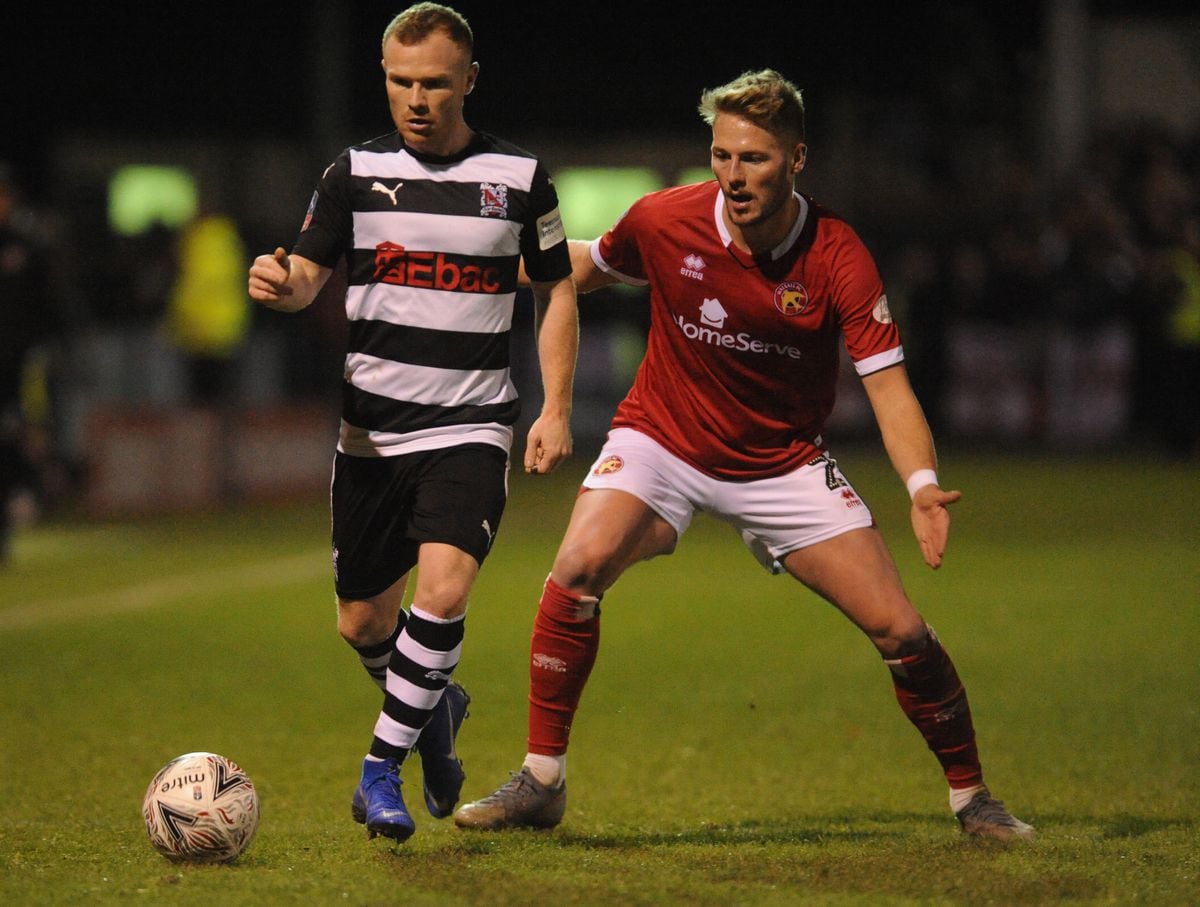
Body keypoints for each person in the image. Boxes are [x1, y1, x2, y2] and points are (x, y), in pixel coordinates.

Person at [454, 69, 1034, 841]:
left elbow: (890, 389)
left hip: (781, 463)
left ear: (797, 159)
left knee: (899, 628)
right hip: (662, 436)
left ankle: (973, 798)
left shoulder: (837, 255)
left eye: (754, 158)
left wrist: (922, 486)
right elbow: (582, 266)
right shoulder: (668, 220)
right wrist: (474, 271)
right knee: (577, 565)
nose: (732, 175)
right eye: (721, 155)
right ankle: (542, 779)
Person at [247, 2, 578, 843]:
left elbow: (556, 290)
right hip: (371, 437)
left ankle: (378, 771)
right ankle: (436, 711)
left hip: (470, 426)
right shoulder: (352, 172)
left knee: (444, 588)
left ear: (469, 79)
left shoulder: (520, 176)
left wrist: (555, 407)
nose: (417, 98)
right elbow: (309, 280)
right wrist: (279, 285)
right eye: (401, 81)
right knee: (362, 621)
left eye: (434, 82)